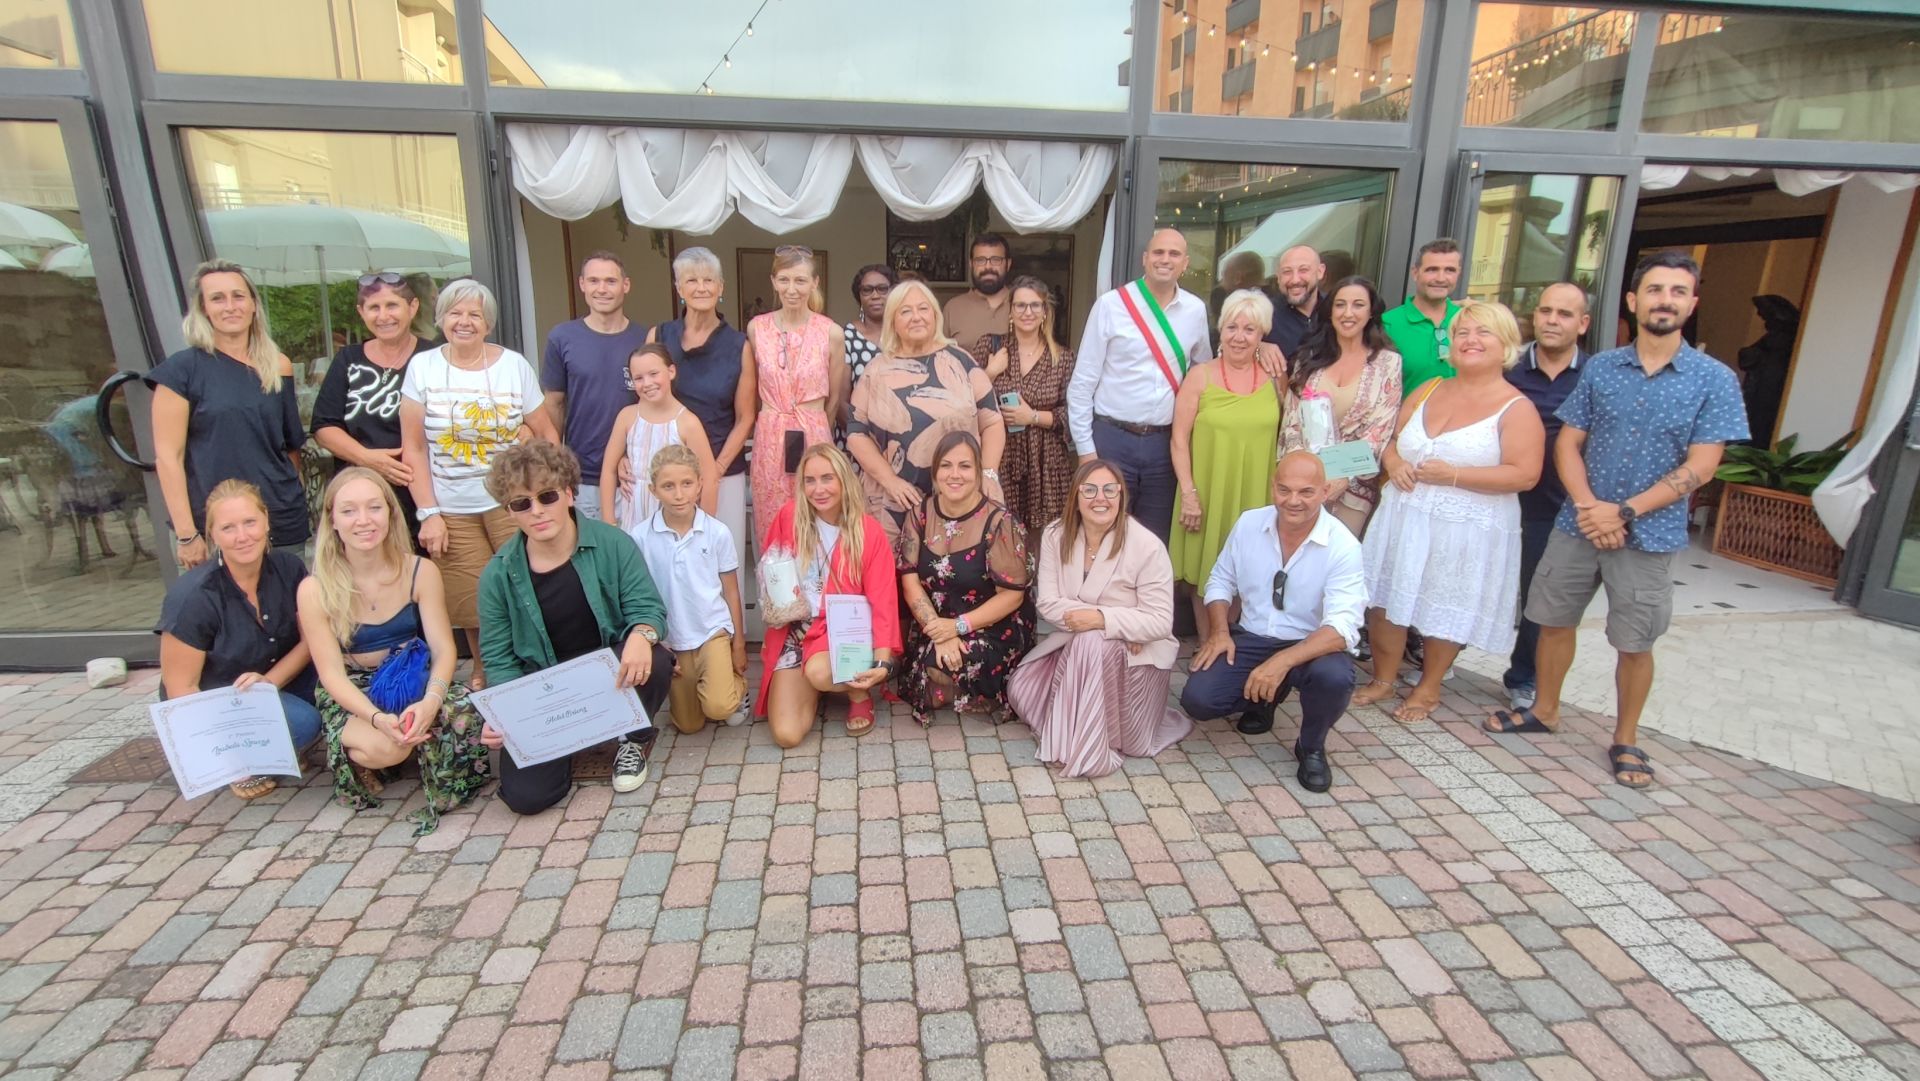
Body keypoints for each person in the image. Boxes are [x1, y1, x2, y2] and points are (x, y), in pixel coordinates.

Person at [1485, 253, 1748, 790]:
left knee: (1635, 640)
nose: (1665, 301)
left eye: (1677, 292)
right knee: (1552, 620)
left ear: (1692, 303)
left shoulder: (1714, 379)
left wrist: (1624, 511)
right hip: (1578, 523)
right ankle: (1545, 709)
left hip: (1649, 534)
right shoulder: (1602, 368)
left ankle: (1626, 738)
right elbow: (1568, 444)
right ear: (1633, 300)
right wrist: (1590, 506)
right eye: (1655, 290)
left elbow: (1702, 465)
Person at [1352, 301, 1545, 723]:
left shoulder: (1516, 408)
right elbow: (1391, 440)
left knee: (1446, 602)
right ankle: (1384, 677)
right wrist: (1394, 463)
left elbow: (1525, 474)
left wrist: (1455, 475)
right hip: (1405, 515)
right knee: (1385, 597)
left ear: (1506, 345)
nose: (1470, 340)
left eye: (1483, 333)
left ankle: (1429, 686)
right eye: (1462, 333)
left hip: (1467, 525)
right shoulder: (1430, 388)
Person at [475, 442, 672, 809]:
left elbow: (648, 608)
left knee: (655, 658)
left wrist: (642, 634)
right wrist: (503, 713)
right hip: (545, 691)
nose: (537, 511)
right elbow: (498, 659)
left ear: (568, 493)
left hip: (609, 673)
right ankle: (573, 738)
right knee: (528, 798)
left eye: (547, 496)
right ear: (509, 512)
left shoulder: (613, 543)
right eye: (522, 503)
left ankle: (632, 736)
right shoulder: (497, 576)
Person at [296, 467, 489, 834]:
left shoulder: (420, 571)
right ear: (332, 520)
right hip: (355, 691)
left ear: (390, 512)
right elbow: (331, 675)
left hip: (412, 679)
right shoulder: (314, 589)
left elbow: (444, 649)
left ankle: (413, 736)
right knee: (387, 748)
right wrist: (376, 718)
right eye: (349, 510)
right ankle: (377, 753)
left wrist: (430, 701)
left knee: (466, 711)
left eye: (374, 507)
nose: (364, 520)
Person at [400, 278, 559, 689]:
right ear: (441, 319)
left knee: (527, 586)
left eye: (475, 314)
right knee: (471, 600)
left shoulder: (513, 366)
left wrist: (550, 491)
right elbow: (413, 448)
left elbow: (546, 433)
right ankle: (486, 670)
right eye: (455, 313)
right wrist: (428, 514)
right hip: (452, 508)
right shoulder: (423, 368)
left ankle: (536, 668)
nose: (464, 321)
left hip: (513, 502)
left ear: (488, 323)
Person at [1181, 452, 1365, 793]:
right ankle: (1264, 698)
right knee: (1199, 700)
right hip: (1253, 635)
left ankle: (1311, 745)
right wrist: (1219, 632)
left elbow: (1343, 628)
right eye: (1284, 490)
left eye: (1306, 492)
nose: (1293, 501)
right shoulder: (1249, 524)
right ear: (1272, 487)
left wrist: (1280, 662)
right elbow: (1220, 580)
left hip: (1310, 644)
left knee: (1335, 678)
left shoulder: (1343, 545)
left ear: (1325, 492)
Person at [1009, 461, 1190, 778]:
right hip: (1081, 644)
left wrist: (1101, 620)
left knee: (1091, 640)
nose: (1100, 498)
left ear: (1121, 495)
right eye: (1090, 490)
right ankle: (1076, 732)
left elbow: (1161, 621)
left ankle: (1083, 746)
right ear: (1076, 496)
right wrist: (1123, 623)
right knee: (1022, 688)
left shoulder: (1146, 546)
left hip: (1137, 658)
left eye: (1109, 490)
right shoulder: (1055, 535)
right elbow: (1047, 602)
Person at [155, 480, 317, 800]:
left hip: (273, 678)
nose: (242, 536)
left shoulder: (289, 568)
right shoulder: (192, 597)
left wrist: (267, 684)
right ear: (212, 535)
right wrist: (228, 763)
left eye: (250, 522)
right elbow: (181, 689)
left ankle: (273, 747)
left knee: (335, 684)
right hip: (216, 701)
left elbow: (310, 641)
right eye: (228, 528)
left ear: (266, 521)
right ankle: (245, 756)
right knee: (304, 723)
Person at [148, 260, 309, 568]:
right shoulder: (181, 371)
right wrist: (187, 534)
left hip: (280, 518)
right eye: (217, 298)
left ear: (253, 304)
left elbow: (290, 447)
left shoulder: (278, 366)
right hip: (213, 526)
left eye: (238, 296)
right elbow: (168, 457)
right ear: (204, 309)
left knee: (288, 599)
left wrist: (291, 499)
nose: (230, 306)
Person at [1066, 228, 1215, 544]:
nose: (1165, 259)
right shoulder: (1111, 305)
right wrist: (1086, 451)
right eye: (1158, 252)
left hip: (1165, 445)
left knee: (1154, 540)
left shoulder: (1195, 310)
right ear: (1145, 259)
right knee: (1102, 534)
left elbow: (1202, 373)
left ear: (1185, 263)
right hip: (1112, 440)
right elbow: (1082, 384)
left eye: (1174, 254)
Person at [756, 443, 900, 746]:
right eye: (810, 480)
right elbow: (772, 570)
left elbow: (884, 601)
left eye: (827, 478)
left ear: (844, 480)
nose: (818, 489)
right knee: (786, 735)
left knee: (819, 672)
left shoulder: (868, 532)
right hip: (798, 632)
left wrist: (882, 663)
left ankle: (857, 692)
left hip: (843, 632)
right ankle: (820, 687)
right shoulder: (789, 517)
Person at [847, 279, 1008, 543]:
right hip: (895, 499)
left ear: (935, 315)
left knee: (963, 564)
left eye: (923, 309)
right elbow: (856, 433)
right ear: (893, 320)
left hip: (961, 495)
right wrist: (890, 481)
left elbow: (991, 422)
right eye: (905, 311)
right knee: (892, 567)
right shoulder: (876, 369)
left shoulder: (961, 361)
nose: (916, 317)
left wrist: (989, 473)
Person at [897, 432, 1035, 726]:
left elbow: (1013, 596)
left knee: (939, 670)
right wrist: (941, 632)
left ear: (978, 471)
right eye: (946, 465)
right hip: (936, 621)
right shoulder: (919, 515)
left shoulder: (1000, 522)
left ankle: (976, 687)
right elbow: (909, 581)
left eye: (965, 466)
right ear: (935, 471)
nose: (954, 474)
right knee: (934, 670)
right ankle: (959, 688)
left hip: (992, 624)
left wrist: (958, 627)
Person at [1171, 288, 1283, 631]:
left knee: (1249, 566)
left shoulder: (1276, 378)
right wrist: (1189, 493)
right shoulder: (1200, 376)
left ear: (1262, 335)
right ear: (1220, 330)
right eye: (1232, 327)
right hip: (1207, 491)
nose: (1239, 337)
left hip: (1256, 494)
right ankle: (1210, 641)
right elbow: (1178, 439)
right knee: (1206, 565)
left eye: (1249, 329)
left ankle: (1230, 636)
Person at [1502, 283, 1590, 711]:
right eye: (1546, 311)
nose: (1553, 320)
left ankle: (1522, 678)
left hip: (1552, 506)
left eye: (1565, 314)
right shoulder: (1508, 367)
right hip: (1497, 498)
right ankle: (1438, 663)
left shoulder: (1595, 375)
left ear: (1583, 324)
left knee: (1538, 597)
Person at [311, 272, 438, 545]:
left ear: (412, 307)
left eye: (392, 305)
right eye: (374, 307)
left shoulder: (435, 358)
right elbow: (324, 427)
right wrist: (367, 458)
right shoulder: (348, 360)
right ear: (361, 312)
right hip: (360, 503)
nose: (383, 316)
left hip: (423, 499)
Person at [650, 246, 754, 573]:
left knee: (721, 564)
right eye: (691, 280)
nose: (701, 287)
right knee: (669, 564)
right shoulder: (659, 336)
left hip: (724, 471)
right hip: (667, 471)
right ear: (678, 288)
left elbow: (746, 417)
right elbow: (643, 399)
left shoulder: (739, 345)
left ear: (721, 287)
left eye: (709, 280)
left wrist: (714, 470)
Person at [631, 445, 748, 733]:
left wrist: (739, 644)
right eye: (668, 486)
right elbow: (637, 596)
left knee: (719, 707)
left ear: (699, 485)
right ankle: (703, 687)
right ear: (653, 490)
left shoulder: (717, 532)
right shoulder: (641, 537)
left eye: (686, 484)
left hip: (712, 631)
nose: (679, 494)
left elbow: (731, 591)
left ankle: (737, 689)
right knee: (689, 725)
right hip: (673, 639)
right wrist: (656, 645)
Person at [1278, 276, 1405, 539]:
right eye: (1340, 305)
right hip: (1301, 490)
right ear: (1330, 311)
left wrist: (1340, 477)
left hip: (1352, 489)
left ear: (1371, 312)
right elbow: (1291, 424)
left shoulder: (1388, 363)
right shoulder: (1307, 359)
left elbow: (1378, 431)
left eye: (1358, 305)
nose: (1348, 313)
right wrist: (1308, 478)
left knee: (1337, 557)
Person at [541, 252, 646, 518]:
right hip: (581, 476)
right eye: (594, 281)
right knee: (587, 543)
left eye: (610, 281)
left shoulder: (645, 339)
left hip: (633, 474)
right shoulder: (562, 338)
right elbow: (553, 404)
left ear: (626, 285)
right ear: (582, 284)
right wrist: (555, 465)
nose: (602, 289)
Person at [745, 245, 846, 522]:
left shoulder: (831, 333)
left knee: (816, 509)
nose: (792, 289)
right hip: (770, 434)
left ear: (814, 283)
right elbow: (753, 388)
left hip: (813, 431)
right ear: (774, 282)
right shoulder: (757, 328)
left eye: (800, 280)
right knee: (771, 514)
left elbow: (833, 399)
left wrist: (815, 427)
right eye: (784, 280)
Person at [972, 275, 1075, 543]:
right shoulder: (990, 347)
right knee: (998, 531)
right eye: (1020, 305)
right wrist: (990, 372)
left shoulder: (1063, 358)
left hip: (1047, 464)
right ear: (1011, 311)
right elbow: (963, 400)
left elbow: (1073, 413)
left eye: (1035, 305)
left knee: (1046, 540)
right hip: (1000, 457)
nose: (1027, 312)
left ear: (1045, 311)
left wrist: (1033, 417)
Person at [598, 344, 719, 528]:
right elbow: (608, 470)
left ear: (671, 371)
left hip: (675, 523)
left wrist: (704, 529)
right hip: (633, 520)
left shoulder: (688, 423)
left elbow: (709, 479)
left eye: (654, 374)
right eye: (638, 378)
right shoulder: (627, 417)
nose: (647, 383)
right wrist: (609, 523)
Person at [1382, 239, 1463, 389]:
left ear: (1458, 273)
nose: (1440, 278)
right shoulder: (1387, 325)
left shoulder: (1469, 320)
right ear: (1415, 273)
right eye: (1432, 270)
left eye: (1450, 270)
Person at [942, 233, 1013, 352]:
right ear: (971, 264)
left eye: (996, 260)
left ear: (1008, 264)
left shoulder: (1024, 306)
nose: (988, 267)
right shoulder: (953, 308)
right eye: (980, 260)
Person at [844, 264, 899, 393]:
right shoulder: (847, 337)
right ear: (859, 296)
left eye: (882, 289)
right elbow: (841, 399)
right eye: (867, 290)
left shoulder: (906, 333)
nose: (875, 295)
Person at [1266, 245, 1326, 358]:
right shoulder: (1264, 313)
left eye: (1303, 270)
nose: (1295, 280)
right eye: (1287, 272)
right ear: (1278, 277)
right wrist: (1258, 348)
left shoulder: (1335, 309)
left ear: (1320, 271)